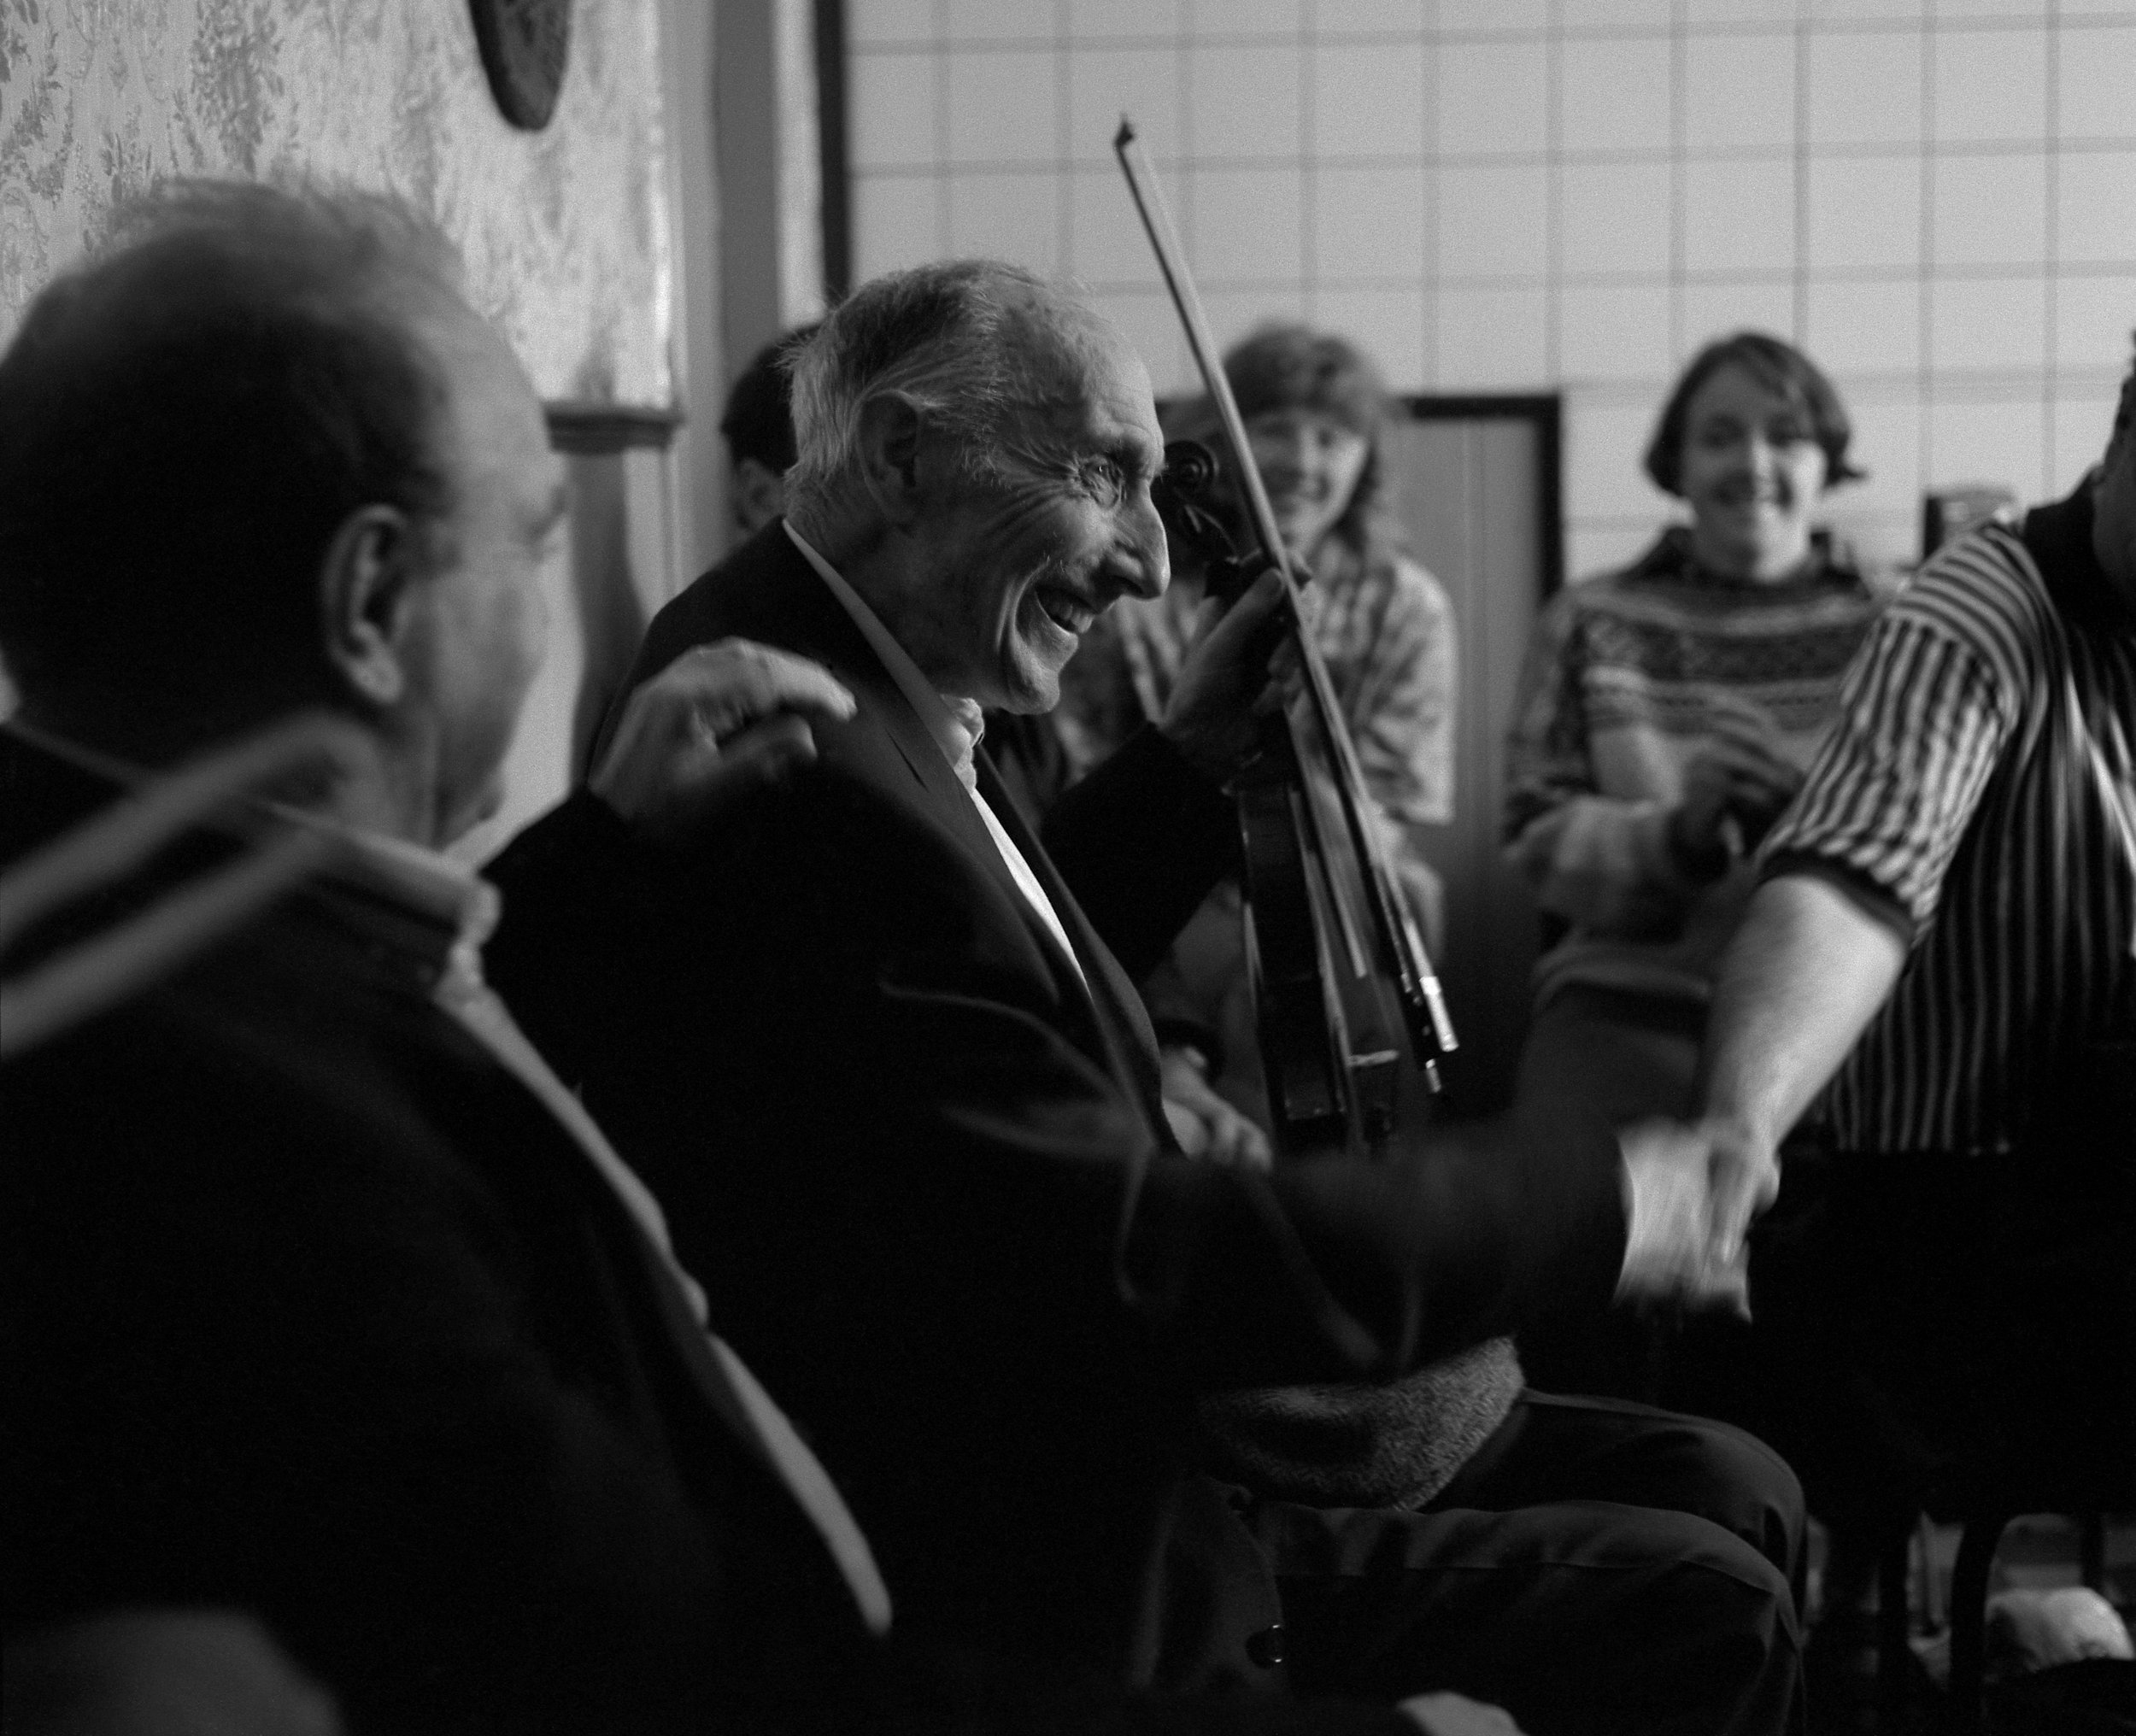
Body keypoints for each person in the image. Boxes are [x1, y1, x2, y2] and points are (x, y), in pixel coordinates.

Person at [490, 259, 1808, 1736]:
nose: (1147, 564)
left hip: (1089, 1435)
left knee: (1732, 1486)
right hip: (1070, 1552)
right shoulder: (801, 749)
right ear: (906, 454)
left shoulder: (835, 648)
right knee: (1710, 1589)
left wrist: (1183, 766)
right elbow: (1130, 1253)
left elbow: (990, 959)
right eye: (1103, 478)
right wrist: (1603, 1203)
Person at [1679, 343, 2136, 1561]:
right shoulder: (1973, 609)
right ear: (2125, 438)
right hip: (1968, 1210)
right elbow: (1850, 889)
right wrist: (1739, 1130)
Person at [1499, 332, 1888, 1397]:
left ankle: (1835, 1539)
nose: (1751, 462)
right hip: (1620, 1005)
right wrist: (1675, 832)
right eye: (1718, 435)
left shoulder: (1890, 628)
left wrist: (1798, 822)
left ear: (1827, 463)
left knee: (1843, 1315)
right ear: (1674, 462)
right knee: (1569, 1282)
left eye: (1784, 435)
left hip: (1842, 1028)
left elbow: (1922, 854)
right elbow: (1535, 838)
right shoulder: (1591, 618)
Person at [1057, 323, 1457, 1152]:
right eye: (1275, 428)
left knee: (1394, 911)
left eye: (1333, 436)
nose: (1304, 461)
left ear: (1366, 460)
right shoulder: (1144, 590)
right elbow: (1086, 773)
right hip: (1172, 877)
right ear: (1220, 439)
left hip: (1345, 869)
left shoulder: (1405, 603)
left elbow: (1390, 799)